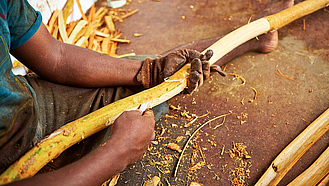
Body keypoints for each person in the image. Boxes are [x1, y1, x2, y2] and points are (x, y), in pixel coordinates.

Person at [0, 0, 293, 185]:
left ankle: (254, 36)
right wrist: (117, 153)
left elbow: (56, 55)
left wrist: (149, 72)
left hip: (25, 107)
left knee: (150, 95)